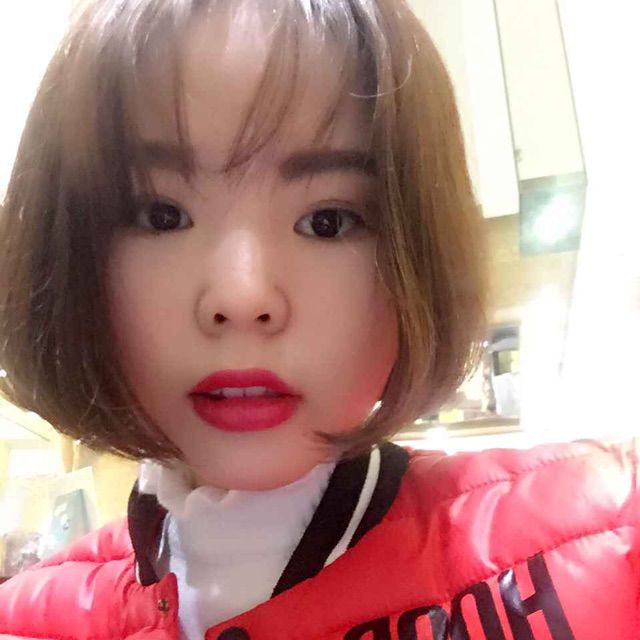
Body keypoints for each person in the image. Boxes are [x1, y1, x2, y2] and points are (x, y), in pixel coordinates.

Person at [0, 0, 637, 638]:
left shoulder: (608, 545)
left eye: (327, 222)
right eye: (161, 216)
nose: (243, 297)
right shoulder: (30, 619)